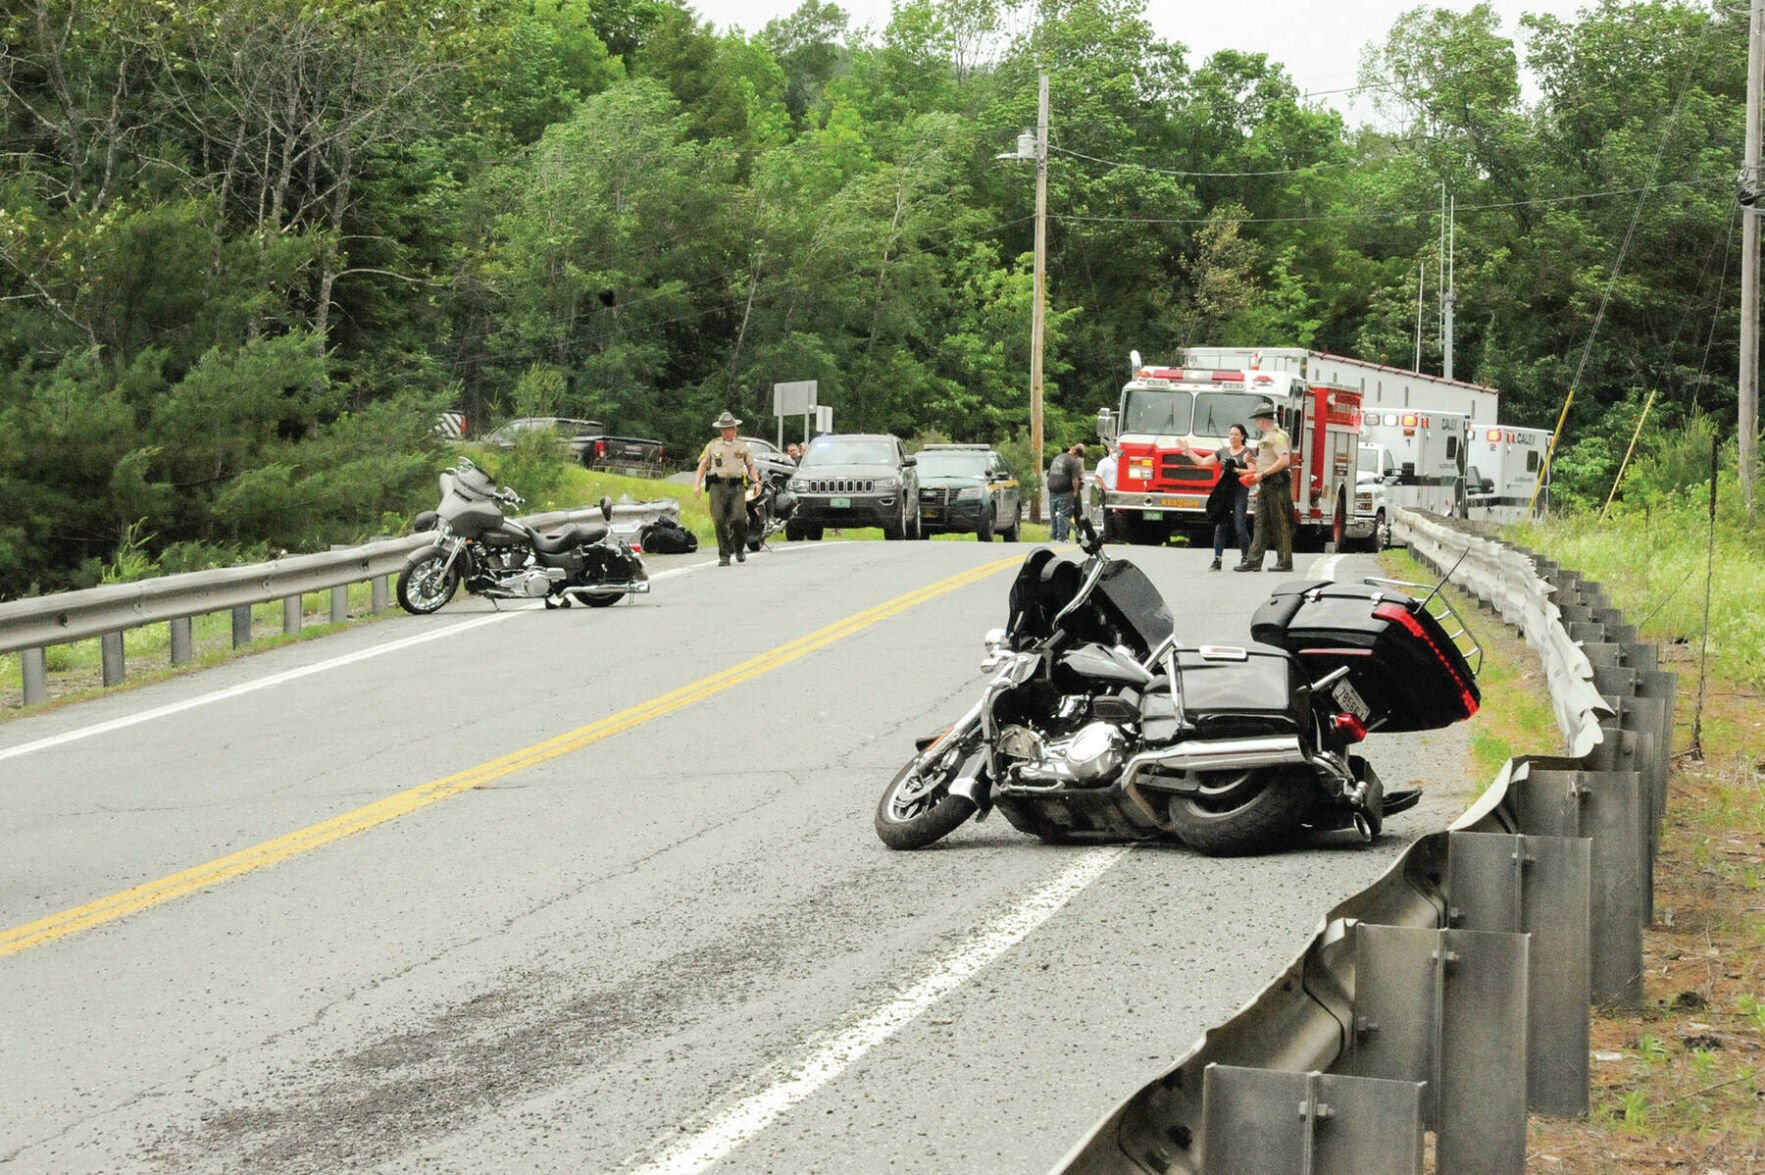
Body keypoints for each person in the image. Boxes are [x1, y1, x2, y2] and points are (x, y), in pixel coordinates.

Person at [1173, 424, 1253, 570]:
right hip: (1224, 492)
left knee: (1239, 525)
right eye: (1231, 434)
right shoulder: (1222, 452)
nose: (1233, 437)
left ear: (1242, 436)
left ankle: (1246, 558)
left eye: (1236, 434)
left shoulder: (1247, 452)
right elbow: (1203, 462)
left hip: (1240, 491)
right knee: (1220, 525)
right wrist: (1189, 451)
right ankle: (1217, 559)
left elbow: (1253, 471)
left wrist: (1236, 469)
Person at [693, 411, 760, 566]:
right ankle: (724, 556)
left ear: (734, 429)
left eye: (729, 428)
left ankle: (739, 548)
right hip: (718, 487)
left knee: (739, 518)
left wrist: (756, 482)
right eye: (723, 429)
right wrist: (696, 484)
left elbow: (751, 466)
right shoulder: (713, 445)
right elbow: (703, 465)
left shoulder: (742, 446)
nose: (725, 431)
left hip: (736, 487)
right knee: (719, 520)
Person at [1236, 402, 1293, 573]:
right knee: (1260, 521)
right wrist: (1254, 462)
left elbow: (1284, 461)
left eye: (1257, 420)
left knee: (1279, 521)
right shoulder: (1267, 438)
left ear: (1262, 420)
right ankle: (1254, 560)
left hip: (1276, 481)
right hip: (1266, 482)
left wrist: (1263, 474)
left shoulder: (1277, 436)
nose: (1256, 424)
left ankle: (1284, 561)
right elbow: (1270, 459)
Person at [1046, 442, 1085, 542]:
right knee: (1063, 516)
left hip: (1052, 491)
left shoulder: (1058, 458)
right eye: (1078, 456)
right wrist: (1075, 492)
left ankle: (1054, 537)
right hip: (1065, 492)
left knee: (1054, 516)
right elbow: (1075, 480)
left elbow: (1049, 474)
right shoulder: (1073, 462)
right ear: (1076, 454)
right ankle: (1062, 538)